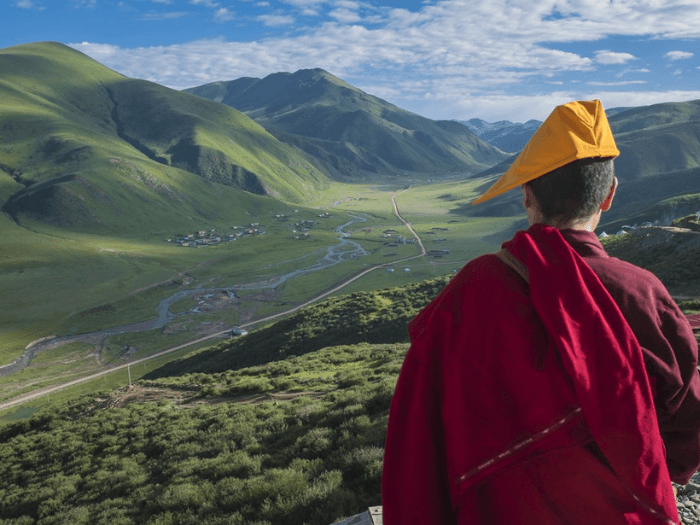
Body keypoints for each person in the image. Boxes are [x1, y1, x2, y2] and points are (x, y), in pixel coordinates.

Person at [381, 100, 700, 525]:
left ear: (527, 196)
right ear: (609, 195)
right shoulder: (641, 292)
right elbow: (685, 438)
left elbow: (420, 435)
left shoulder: (472, 290)